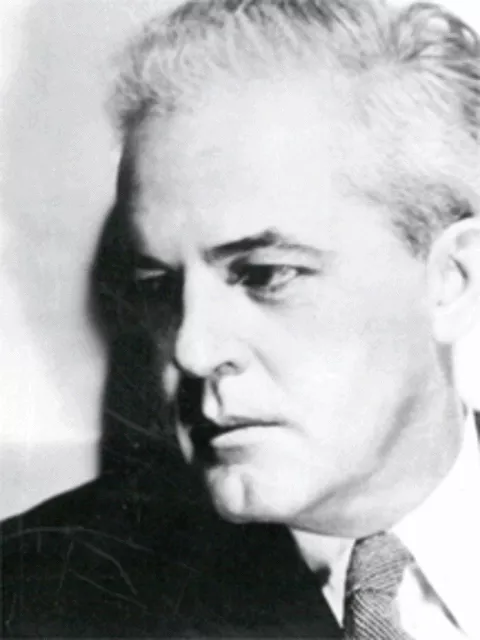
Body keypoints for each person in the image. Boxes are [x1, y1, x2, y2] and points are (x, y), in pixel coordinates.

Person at [3, 1, 480, 638]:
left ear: (453, 280)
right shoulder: (34, 597)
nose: (192, 351)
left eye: (265, 274)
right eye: (158, 287)